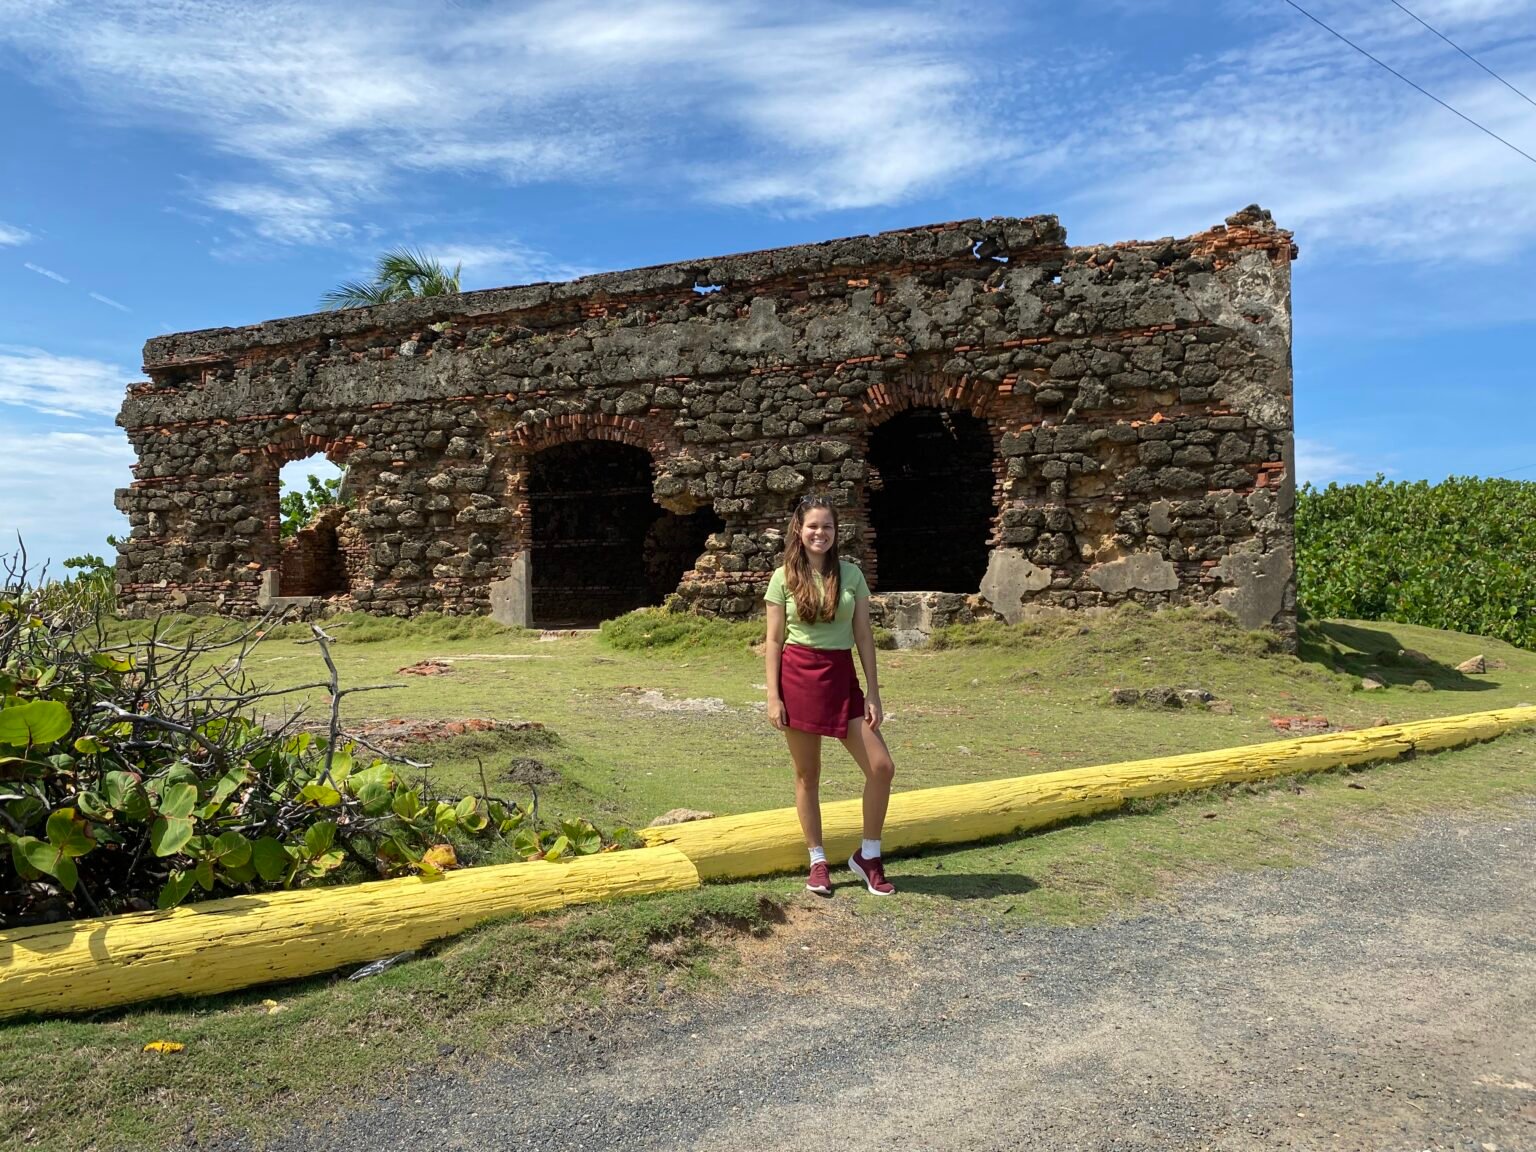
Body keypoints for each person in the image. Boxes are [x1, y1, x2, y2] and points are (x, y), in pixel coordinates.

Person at [764, 494, 896, 896]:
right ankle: (817, 861)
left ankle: (868, 856)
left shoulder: (852, 575)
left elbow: (862, 635)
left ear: (836, 532)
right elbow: (773, 640)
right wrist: (773, 696)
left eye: (827, 527)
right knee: (808, 775)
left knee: (881, 767)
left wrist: (873, 691)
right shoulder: (782, 576)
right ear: (799, 531)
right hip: (798, 676)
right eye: (813, 526)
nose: (820, 533)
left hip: (842, 676)